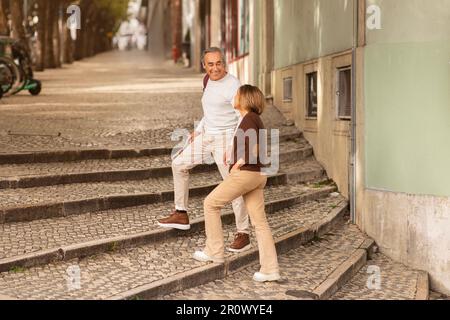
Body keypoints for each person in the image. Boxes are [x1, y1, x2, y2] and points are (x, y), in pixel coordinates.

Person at [158, 47, 252, 253]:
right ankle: (181, 213)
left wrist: (234, 145)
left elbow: (242, 117)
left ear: (224, 63)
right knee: (179, 164)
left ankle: (243, 233)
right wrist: (198, 130)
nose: (215, 68)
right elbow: (208, 111)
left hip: (225, 138)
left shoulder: (234, 86)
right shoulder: (207, 80)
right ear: (204, 66)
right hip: (207, 135)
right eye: (211, 64)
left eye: (219, 63)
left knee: (233, 184)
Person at [193, 85, 281, 283]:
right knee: (260, 222)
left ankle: (214, 251)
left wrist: (239, 163)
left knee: (210, 203)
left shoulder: (249, 117)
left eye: (237, 94)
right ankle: (270, 269)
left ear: (245, 99)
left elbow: (256, 146)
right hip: (258, 174)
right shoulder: (250, 119)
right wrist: (231, 153)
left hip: (246, 173)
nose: (234, 97)